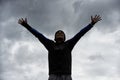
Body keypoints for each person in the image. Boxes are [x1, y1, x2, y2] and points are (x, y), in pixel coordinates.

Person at [18, 15, 101, 80]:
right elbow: (38, 35)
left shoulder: (69, 44)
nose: (59, 34)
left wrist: (91, 24)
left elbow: (80, 34)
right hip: (53, 76)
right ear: (55, 37)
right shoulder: (50, 44)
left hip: (67, 76)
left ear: (64, 37)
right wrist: (26, 25)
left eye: (61, 34)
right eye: (57, 33)